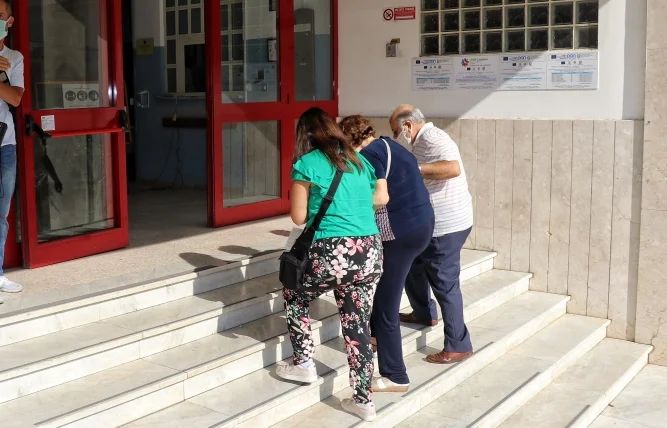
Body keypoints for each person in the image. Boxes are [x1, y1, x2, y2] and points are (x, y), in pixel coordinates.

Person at [276, 107, 384, 422]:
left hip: (332, 250)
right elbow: (373, 199)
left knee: (294, 292)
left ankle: (304, 363)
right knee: (357, 324)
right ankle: (364, 401)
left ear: (305, 135)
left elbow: (298, 218)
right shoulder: (359, 161)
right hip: (369, 250)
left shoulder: (307, 164)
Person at [339, 115, 434, 393]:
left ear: (351, 140)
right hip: (422, 225)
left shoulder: (369, 154)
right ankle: (376, 336)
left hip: (401, 234)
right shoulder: (390, 146)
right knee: (384, 291)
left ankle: (395, 375)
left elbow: (380, 197)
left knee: (384, 305)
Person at [389, 105, 474, 364]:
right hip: (429, 222)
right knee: (413, 264)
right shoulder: (422, 141)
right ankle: (423, 312)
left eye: (396, 132)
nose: (396, 137)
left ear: (407, 125)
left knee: (445, 283)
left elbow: (452, 168)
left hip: (445, 226)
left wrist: (414, 169)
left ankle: (458, 345)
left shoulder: (433, 138)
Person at [0, 0, 23, 305]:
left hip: (5, 144)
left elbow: (15, 98)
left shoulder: (14, 58)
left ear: (9, 21)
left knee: (1, 214)